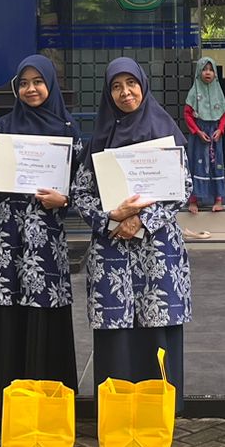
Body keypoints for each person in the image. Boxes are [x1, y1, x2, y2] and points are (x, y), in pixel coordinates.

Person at [71, 58, 191, 407]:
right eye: (116, 86)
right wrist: (113, 218)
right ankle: (117, 413)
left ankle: (159, 412)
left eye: (131, 83)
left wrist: (141, 220)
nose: (125, 92)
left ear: (143, 85)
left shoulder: (165, 133)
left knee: (158, 327)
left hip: (158, 252)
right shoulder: (99, 140)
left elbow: (182, 187)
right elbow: (81, 193)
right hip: (112, 253)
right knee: (116, 332)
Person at [0, 55, 82, 395]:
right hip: (7, 233)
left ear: (51, 85)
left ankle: (45, 389)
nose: (31, 89)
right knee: (6, 303)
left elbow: (83, 185)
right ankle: (3, 385)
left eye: (38, 82)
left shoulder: (67, 130)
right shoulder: (1, 130)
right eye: (24, 83)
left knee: (43, 303)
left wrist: (65, 200)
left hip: (45, 234)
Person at [183, 56, 225, 213]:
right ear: (198, 72)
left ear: (215, 73)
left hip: (215, 134)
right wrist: (197, 131)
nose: (207, 73)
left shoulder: (218, 92)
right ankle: (194, 200)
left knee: (217, 163)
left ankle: (218, 199)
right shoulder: (193, 92)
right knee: (197, 163)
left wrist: (220, 129)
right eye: (204, 69)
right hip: (199, 134)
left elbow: (224, 113)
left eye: (211, 70)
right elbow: (187, 114)